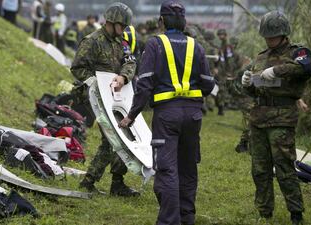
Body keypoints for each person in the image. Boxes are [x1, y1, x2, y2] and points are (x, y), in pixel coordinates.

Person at [119, 0, 215, 224]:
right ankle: (186, 217)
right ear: (184, 22)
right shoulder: (196, 46)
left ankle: (170, 221)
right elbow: (209, 84)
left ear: (161, 21)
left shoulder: (155, 44)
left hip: (167, 116)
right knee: (188, 168)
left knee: (167, 169)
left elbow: (143, 85)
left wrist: (131, 115)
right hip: (193, 116)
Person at [241, 11, 311, 224]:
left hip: (282, 119)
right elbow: (256, 91)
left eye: (272, 37)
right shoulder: (261, 56)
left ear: (283, 34)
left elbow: (307, 68)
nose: (269, 40)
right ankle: (264, 212)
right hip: (259, 118)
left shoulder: (297, 52)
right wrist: (248, 84)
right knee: (260, 169)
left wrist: (277, 70)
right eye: (267, 37)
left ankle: (296, 213)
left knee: (284, 168)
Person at [72, 2, 139, 197]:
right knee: (111, 139)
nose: (124, 30)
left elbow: (130, 62)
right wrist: (98, 83)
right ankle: (90, 181)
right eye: (122, 26)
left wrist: (123, 77)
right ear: (112, 22)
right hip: (95, 98)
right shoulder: (92, 41)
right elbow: (77, 68)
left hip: (115, 97)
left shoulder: (121, 42)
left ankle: (116, 182)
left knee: (122, 135)